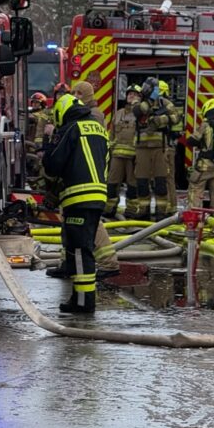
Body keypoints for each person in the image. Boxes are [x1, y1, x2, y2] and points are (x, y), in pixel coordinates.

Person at [42, 93, 109, 314]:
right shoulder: (98, 128)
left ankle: (83, 302)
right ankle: (80, 298)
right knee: (80, 249)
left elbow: (54, 164)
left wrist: (49, 140)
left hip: (79, 197)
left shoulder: (72, 129)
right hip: (97, 196)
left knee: (80, 250)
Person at [70, 81, 120, 281]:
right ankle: (69, 262)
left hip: (91, 177)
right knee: (70, 219)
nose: (75, 95)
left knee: (92, 220)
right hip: (84, 175)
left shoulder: (94, 115)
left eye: (78, 92)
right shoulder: (87, 113)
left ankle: (109, 263)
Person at [132, 76, 174, 219]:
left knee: (161, 181)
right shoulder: (138, 101)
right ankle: (143, 210)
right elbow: (138, 111)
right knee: (142, 181)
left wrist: (161, 120)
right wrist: (150, 100)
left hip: (159, 148)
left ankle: (161, 211)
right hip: (142, 148)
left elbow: (176, 117)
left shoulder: (164, 103)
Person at [187, 98, 214, 212]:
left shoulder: (205, 125)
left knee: (195, 188)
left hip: (204, 166)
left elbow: (191, 141)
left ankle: (194, 217)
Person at [106, 84, 140, 219]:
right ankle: (109, 209)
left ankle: (131, 210)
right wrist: (109, 149)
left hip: (134, 156)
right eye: (129, 94)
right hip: (117, 155)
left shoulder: (140, 114)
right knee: (112, 183)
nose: (131, 96)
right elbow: (112, 133)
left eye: (135, 94)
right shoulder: (119, 113)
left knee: (133, 185)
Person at [158, 79, 182, 213]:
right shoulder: (167, 105)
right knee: (166, 177)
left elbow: (174, 120)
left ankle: (169, 207)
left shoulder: (166, 105)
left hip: (166, 146)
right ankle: (168, 206)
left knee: (166, 177)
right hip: (163, 146)